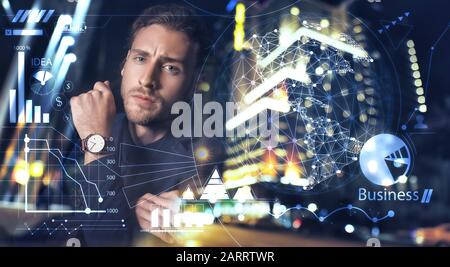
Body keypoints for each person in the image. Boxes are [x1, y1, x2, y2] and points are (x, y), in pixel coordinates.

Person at [68, 4, 207, 246]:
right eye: (141, 58)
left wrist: (95, 143)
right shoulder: (87, 124)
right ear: (124, 65)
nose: (147, 79)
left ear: (193, 83)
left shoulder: (200, 164)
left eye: (170, 67)